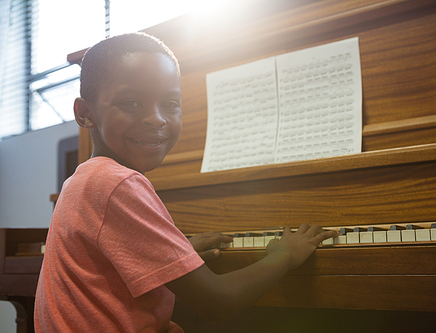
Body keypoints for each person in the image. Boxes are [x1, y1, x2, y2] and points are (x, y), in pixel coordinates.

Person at [34, 32, 337, 332]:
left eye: (170, 104)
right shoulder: (117, 183)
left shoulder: (85, 178)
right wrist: (285, 255)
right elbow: (218, 303)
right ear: (85, 113)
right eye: (131, 103)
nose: (157, 118)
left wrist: (176, 255)